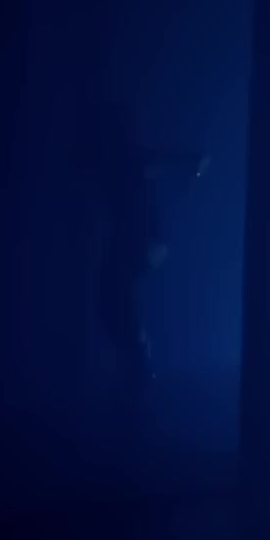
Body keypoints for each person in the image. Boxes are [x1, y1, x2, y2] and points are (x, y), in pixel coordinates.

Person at [90, 100, 208, 411]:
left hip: (142, 241)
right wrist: (192, 165)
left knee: (114, 297)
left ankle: (139, 365)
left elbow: (169, 161)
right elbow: (173, 161)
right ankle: (138, 364)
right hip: (142, 241)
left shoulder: (127, 159)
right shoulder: (124, 161)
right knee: (115, 298)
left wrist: (192, 164)